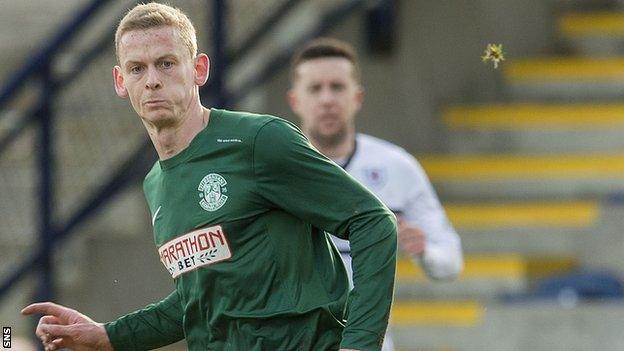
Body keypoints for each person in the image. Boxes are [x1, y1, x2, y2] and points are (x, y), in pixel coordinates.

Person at [21, 4, 397, 351]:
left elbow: (372, 222)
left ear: (199, 69)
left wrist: (359, 343)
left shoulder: (259, 141)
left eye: (166, 64)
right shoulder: (156, 183)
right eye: (137, 68)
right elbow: (198, 301)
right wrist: (108, 336)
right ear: (121, 82)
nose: (152, 80)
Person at [287, 38, 464, 351]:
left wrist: (424, 251)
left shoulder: (396, 166)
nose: (327, 99)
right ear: (295, 101)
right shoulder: (274, 170)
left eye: (337, 87)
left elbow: (450, 262)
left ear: (357, 97)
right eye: (315, 89)